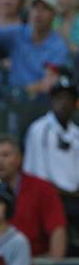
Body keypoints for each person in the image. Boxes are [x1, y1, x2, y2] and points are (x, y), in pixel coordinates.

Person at [23, 72, 79, 253]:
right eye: (59, 97)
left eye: (68, 98)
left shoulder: (76, 132)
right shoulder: (39, 129)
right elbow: (37, 176)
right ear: (52, 100)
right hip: (49, 196)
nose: (63, 102)